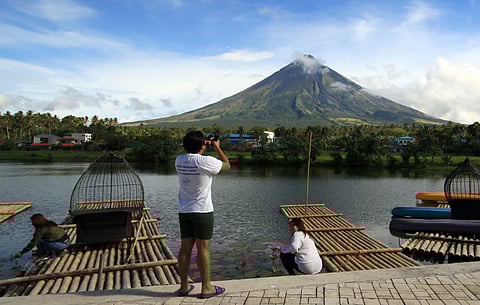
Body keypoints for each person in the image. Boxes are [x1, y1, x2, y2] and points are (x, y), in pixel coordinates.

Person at [175, 131, 230, 298]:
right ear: (201, 146)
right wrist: (217, 147)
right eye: (204, 144)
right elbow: (226, 164)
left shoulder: (179, 160)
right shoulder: (205, 161)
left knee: (185, 249)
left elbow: (193, 152)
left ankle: (184, 286)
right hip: (202, 211)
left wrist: (203, 144)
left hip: (184, 210)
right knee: (203, 248)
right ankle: (206, 287)